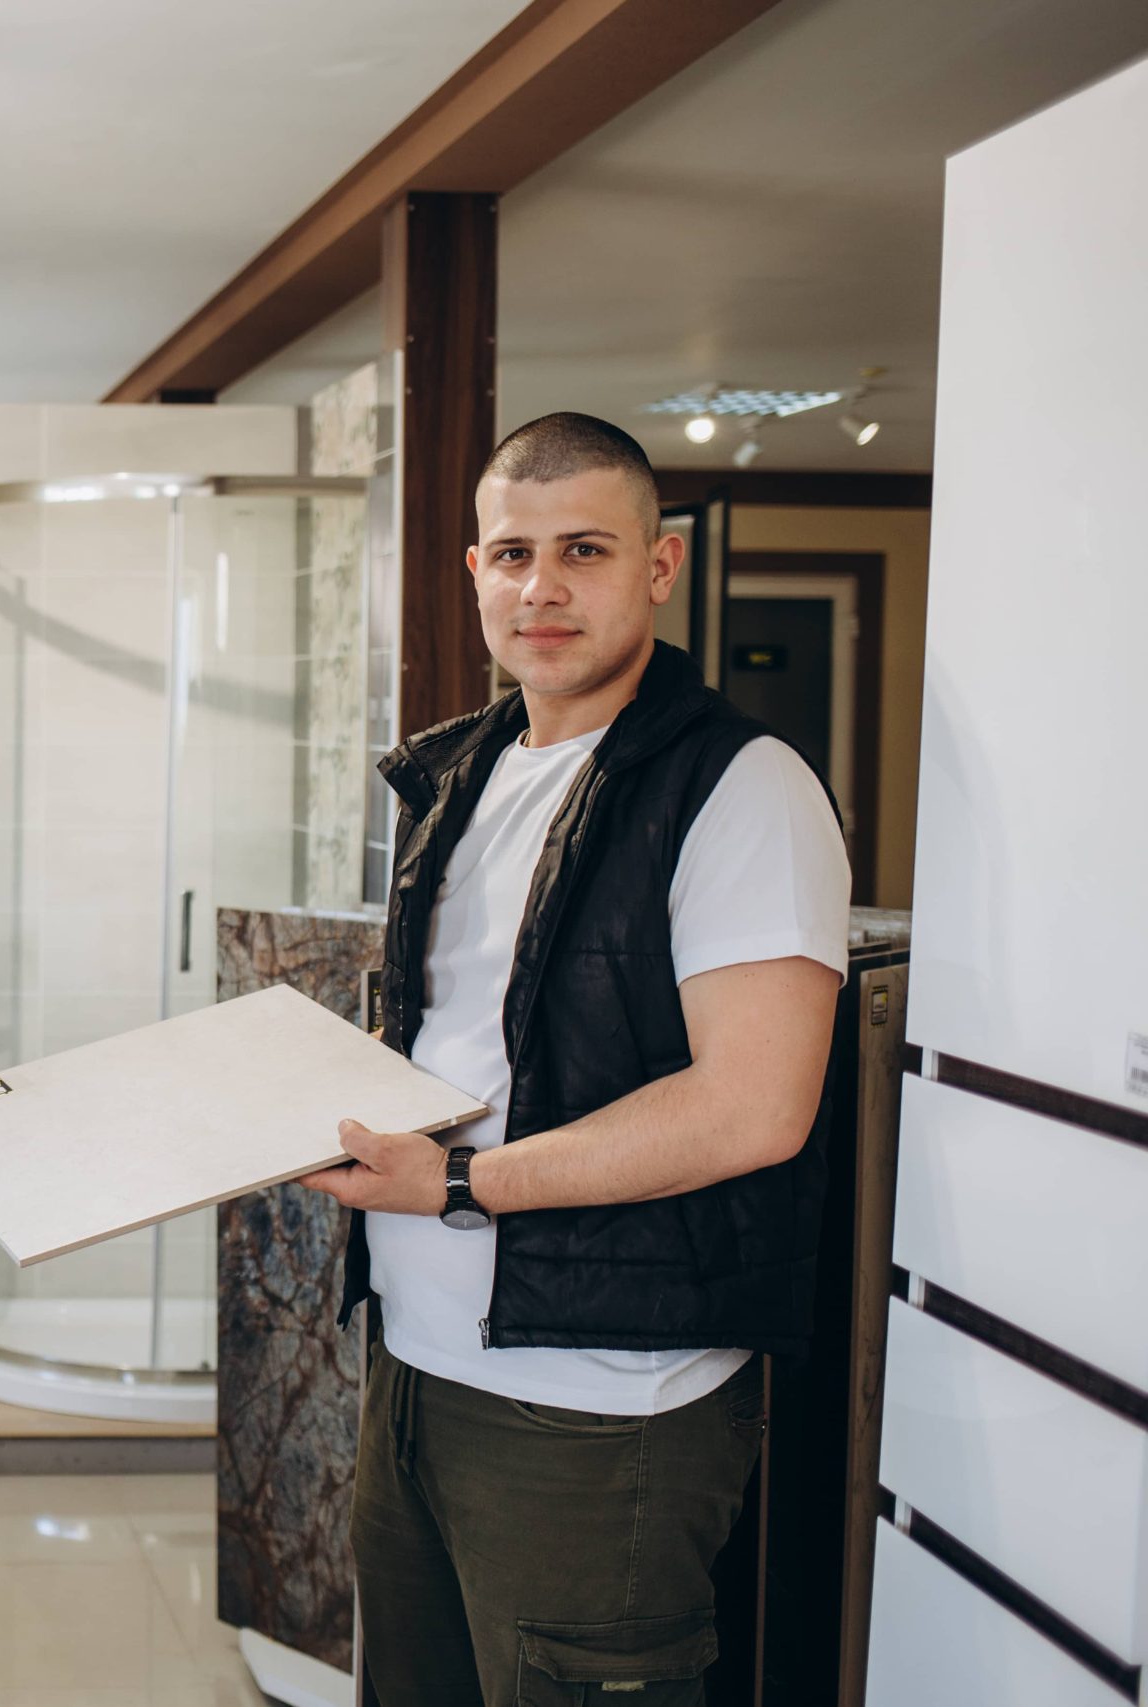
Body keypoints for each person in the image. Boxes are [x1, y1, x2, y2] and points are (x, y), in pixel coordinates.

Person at [301, 415, 850, 1707]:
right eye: (511, 552)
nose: (540, 586)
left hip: (601, 1401)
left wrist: (451, 1185)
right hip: (417, 1369)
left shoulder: (741, 784)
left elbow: (754, 1106)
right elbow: (472, 1034)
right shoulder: (467, 768)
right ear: (473, 571)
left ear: (659, 567)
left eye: (584, 550)